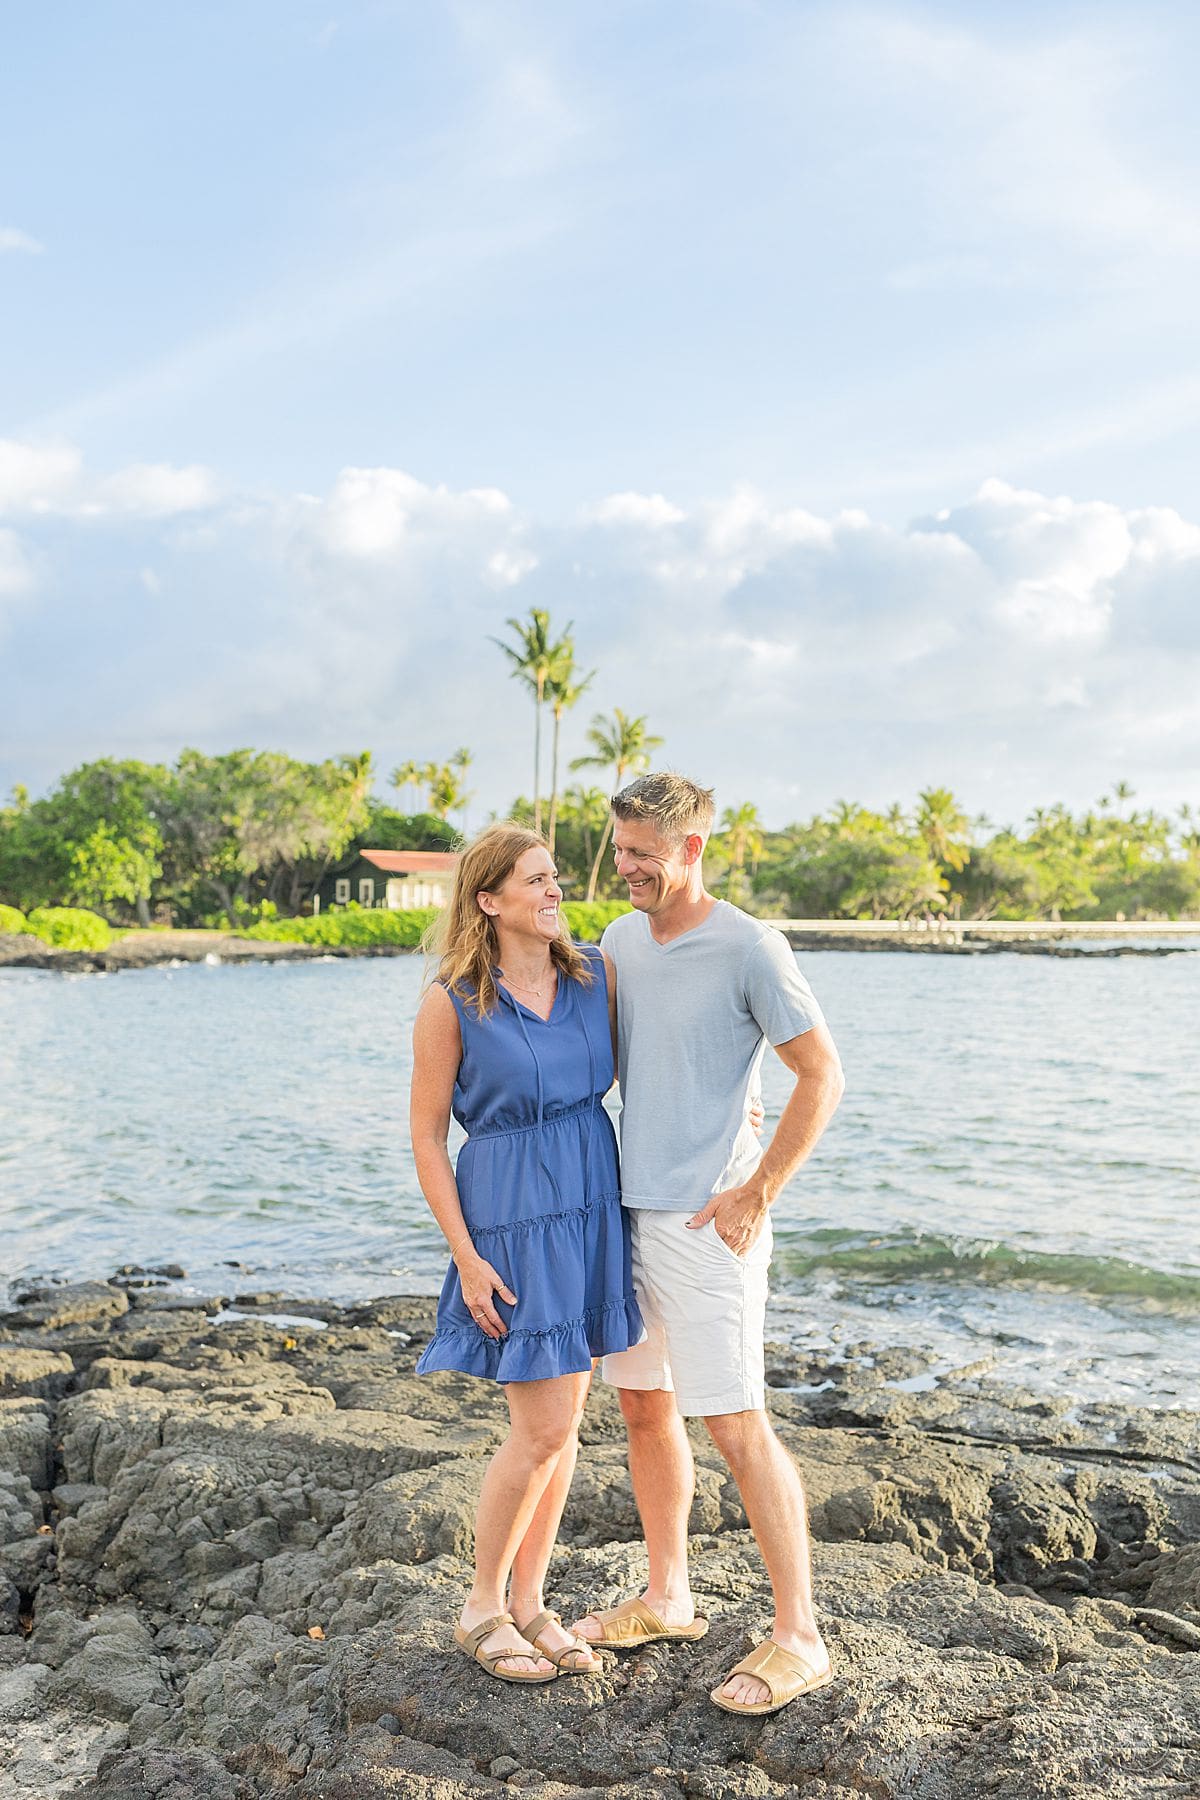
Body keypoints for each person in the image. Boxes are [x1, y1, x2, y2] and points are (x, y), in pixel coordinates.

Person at [570, 772, 846, 1717]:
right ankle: (668, 1594)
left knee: (736, 1424)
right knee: (645, 1410)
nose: (627, 868)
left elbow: (821, 1075)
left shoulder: (750, 947)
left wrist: (758, 1190)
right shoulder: (616, 942)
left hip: (709, 1226)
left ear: (692, 849)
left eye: (644, 854)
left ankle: (801, 1634)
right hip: (627, 1213)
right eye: (621, 851)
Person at [410, 823, 643, 1685]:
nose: (555, 894)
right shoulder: (452, 1002)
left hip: (588, 1210)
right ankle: (480, 1605)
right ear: (489, 899)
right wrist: (466, 1258)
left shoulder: (596, 979)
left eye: (556, 880)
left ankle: (533, 1601)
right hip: (509, 1223)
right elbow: (429, 1141)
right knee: (539, 1427)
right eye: (536, 882)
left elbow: (676, 1049)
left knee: (566, 1426)